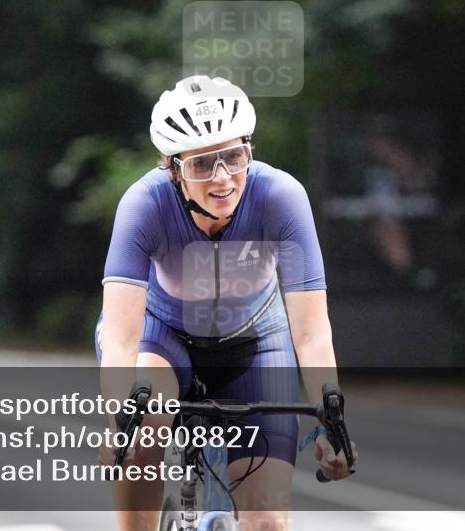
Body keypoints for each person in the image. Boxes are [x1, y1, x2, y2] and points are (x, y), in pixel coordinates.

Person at [96, 75, 356, 531]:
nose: (222, 178)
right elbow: (120, 336)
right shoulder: (144, 205)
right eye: (201, 165)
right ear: (172, 168)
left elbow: (312, 332)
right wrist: (121, 416)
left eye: (234, 157)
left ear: (248, 151)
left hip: (255, 344)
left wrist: (328, 424)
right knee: (145, 427)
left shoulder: (280, 197)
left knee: (268, 523)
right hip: (164, 338)